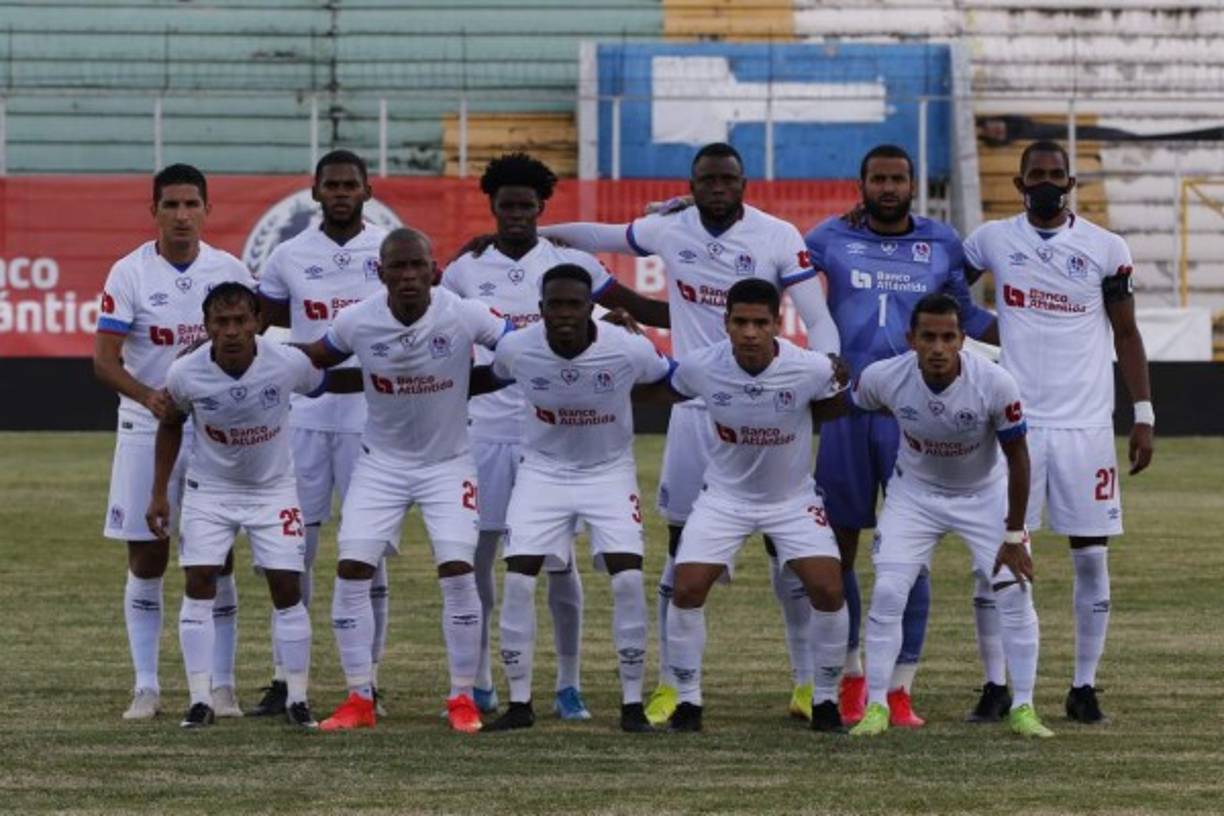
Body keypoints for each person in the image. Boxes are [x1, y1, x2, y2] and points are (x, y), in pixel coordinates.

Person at [538, 142, 840, 725]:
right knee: (682, 550)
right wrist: (533, 231)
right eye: (708, 178)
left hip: (764, 407)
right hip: (695, 407)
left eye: (728, 178)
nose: (718, 187)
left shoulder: (777, 235)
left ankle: (806, 684)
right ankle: (676, 685)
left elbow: (819, 317)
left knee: (788, 550)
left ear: (744, 182)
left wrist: (823, 371)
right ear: (693, 183)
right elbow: (600, 236)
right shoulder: (669, 229)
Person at [442, 152, 669, 719]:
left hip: (560, 439)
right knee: (486, 556)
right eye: (507, 205)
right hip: (491, 427)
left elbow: (633, 308)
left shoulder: (572, 262)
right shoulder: (465, 267)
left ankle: (568, 684)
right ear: (492, 206)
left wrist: (705, 305)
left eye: (527, 205)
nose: (517, 214)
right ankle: (484, 679)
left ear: (542, 207)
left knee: (561, 566)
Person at [804, 144, 999, 727]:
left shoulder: (941, 241)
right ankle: (852, 674)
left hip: (913, 413)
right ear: (861, 183)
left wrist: (1040, 328)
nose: (888, 187)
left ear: (913, 184)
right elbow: (768, 258)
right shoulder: (828, 237)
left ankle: (901, 688)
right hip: (846, 408)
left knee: (907, 557)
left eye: (898, 179)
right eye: (878, 179)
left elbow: (967, 314)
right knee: (838, 549)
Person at [963, 140, 1154, 724]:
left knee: (1091, 560)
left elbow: (1126, 333)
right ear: (1018, 185)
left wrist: (1142, 413)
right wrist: (984, 335)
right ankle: (997, 684)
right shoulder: (992, 239)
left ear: (1070, 182)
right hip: (1016, 426)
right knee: (995, 559)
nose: (1046, 182)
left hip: (1086, 426)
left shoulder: (1105, 248)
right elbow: (946, 284)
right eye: (1035, 175)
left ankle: (1083, 685)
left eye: (1055, 174)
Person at [296, 228, 510, 734]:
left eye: (418, 266)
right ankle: (359, 698)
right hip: (381, 465)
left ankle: (462, 697)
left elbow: (522, 345)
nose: (409, 276)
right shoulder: (358, 320)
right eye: (398, 267)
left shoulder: (463, 312)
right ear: (380, 272)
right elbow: (315, 357)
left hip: (448, 463)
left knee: (458, 572)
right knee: (352, 570)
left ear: (434, 270)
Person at [636, 278, 849, 733]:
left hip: (791, 499)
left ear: (777, 324)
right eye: (740, 322)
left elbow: (835, 406)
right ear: (726, 323)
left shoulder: (810, 368)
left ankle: (826, 700)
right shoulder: (701, 367)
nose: (750, 332)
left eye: (760, 322)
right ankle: (688, 701)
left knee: (829, 590)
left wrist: (828, 391)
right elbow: (658, 390)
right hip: (725, 499)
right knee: (687, 587)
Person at [846, 293, 1052, 739]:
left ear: (963, 340)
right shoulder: (885, 377)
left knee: (1014, 593)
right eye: (928, 337)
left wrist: (1014, 535)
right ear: (911, 339)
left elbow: (1018, 459)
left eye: (948, 337)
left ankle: (1024, 707)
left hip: (984, 496)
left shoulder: (995, 383)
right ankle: (877, 706)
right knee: (887, 592)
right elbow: (859, 402)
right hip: (914, 496)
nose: (938, 348)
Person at [148, 283, 354, 729]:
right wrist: (159, 491)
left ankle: (298, 698)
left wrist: (389, 381)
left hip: (272, 490)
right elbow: (170, 425)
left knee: (286, 587)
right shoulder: (185, 373)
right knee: (200, 581)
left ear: (258, 322)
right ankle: (200, 700)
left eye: (241, 320)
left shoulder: (287, 362)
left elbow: (324, 384)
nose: (232, 331)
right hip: (211, 490)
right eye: (221, 322)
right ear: (206, 328)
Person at [481, 264, 672, 733]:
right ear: (540, 309)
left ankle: (631, 706)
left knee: (627, 580)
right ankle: (520, 703)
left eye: (574, 304)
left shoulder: (627, 350)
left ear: (591, 308)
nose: (564, 314)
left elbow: (670, 378)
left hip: (609, 473)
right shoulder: (516, 348)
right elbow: (493, 376)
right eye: (555, 305)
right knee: (521, 579)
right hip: (542, 474)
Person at [93, 163, 254, 720]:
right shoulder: (129, 272)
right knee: (148, 554)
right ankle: (146, 685)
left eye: (192, 205)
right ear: (153, 211)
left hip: (214, 434)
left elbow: (252, 351)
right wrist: (147, 396)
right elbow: (104, 361)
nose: (182, 216)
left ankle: (224, 685)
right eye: (171, 206)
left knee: (217, 558)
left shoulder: (229, 269)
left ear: (208, 209)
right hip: (144, 427)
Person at [252, 149, 392, 717]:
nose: (339, 193)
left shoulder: (388, 249)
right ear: (314, 191)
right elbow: (258, 327)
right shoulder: (288, 255)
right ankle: (288, 678)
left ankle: (370, 681)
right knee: (295, 552)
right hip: (306, 419)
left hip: (371, 417)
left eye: (349, 185)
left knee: (369, 556)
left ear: (365, 190)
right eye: (330, 185)